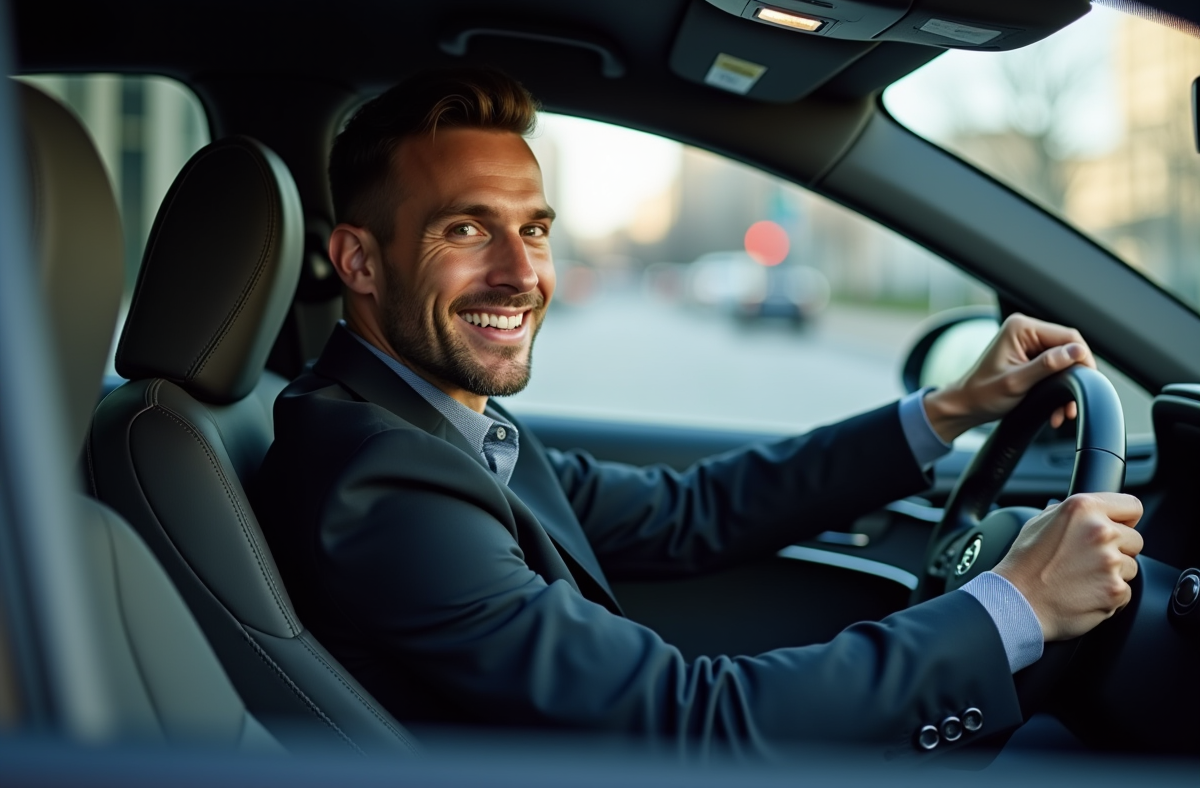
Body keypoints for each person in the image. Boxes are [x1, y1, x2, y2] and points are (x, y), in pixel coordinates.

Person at [253, 68, 1143, 760]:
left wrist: (950, 409)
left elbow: (692, 513)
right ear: (360, 264)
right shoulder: (379, 482)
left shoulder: (433, 427)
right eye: (465, 229)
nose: (521, 276)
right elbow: (685, 721)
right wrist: (1015, 603)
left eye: (533, 229)